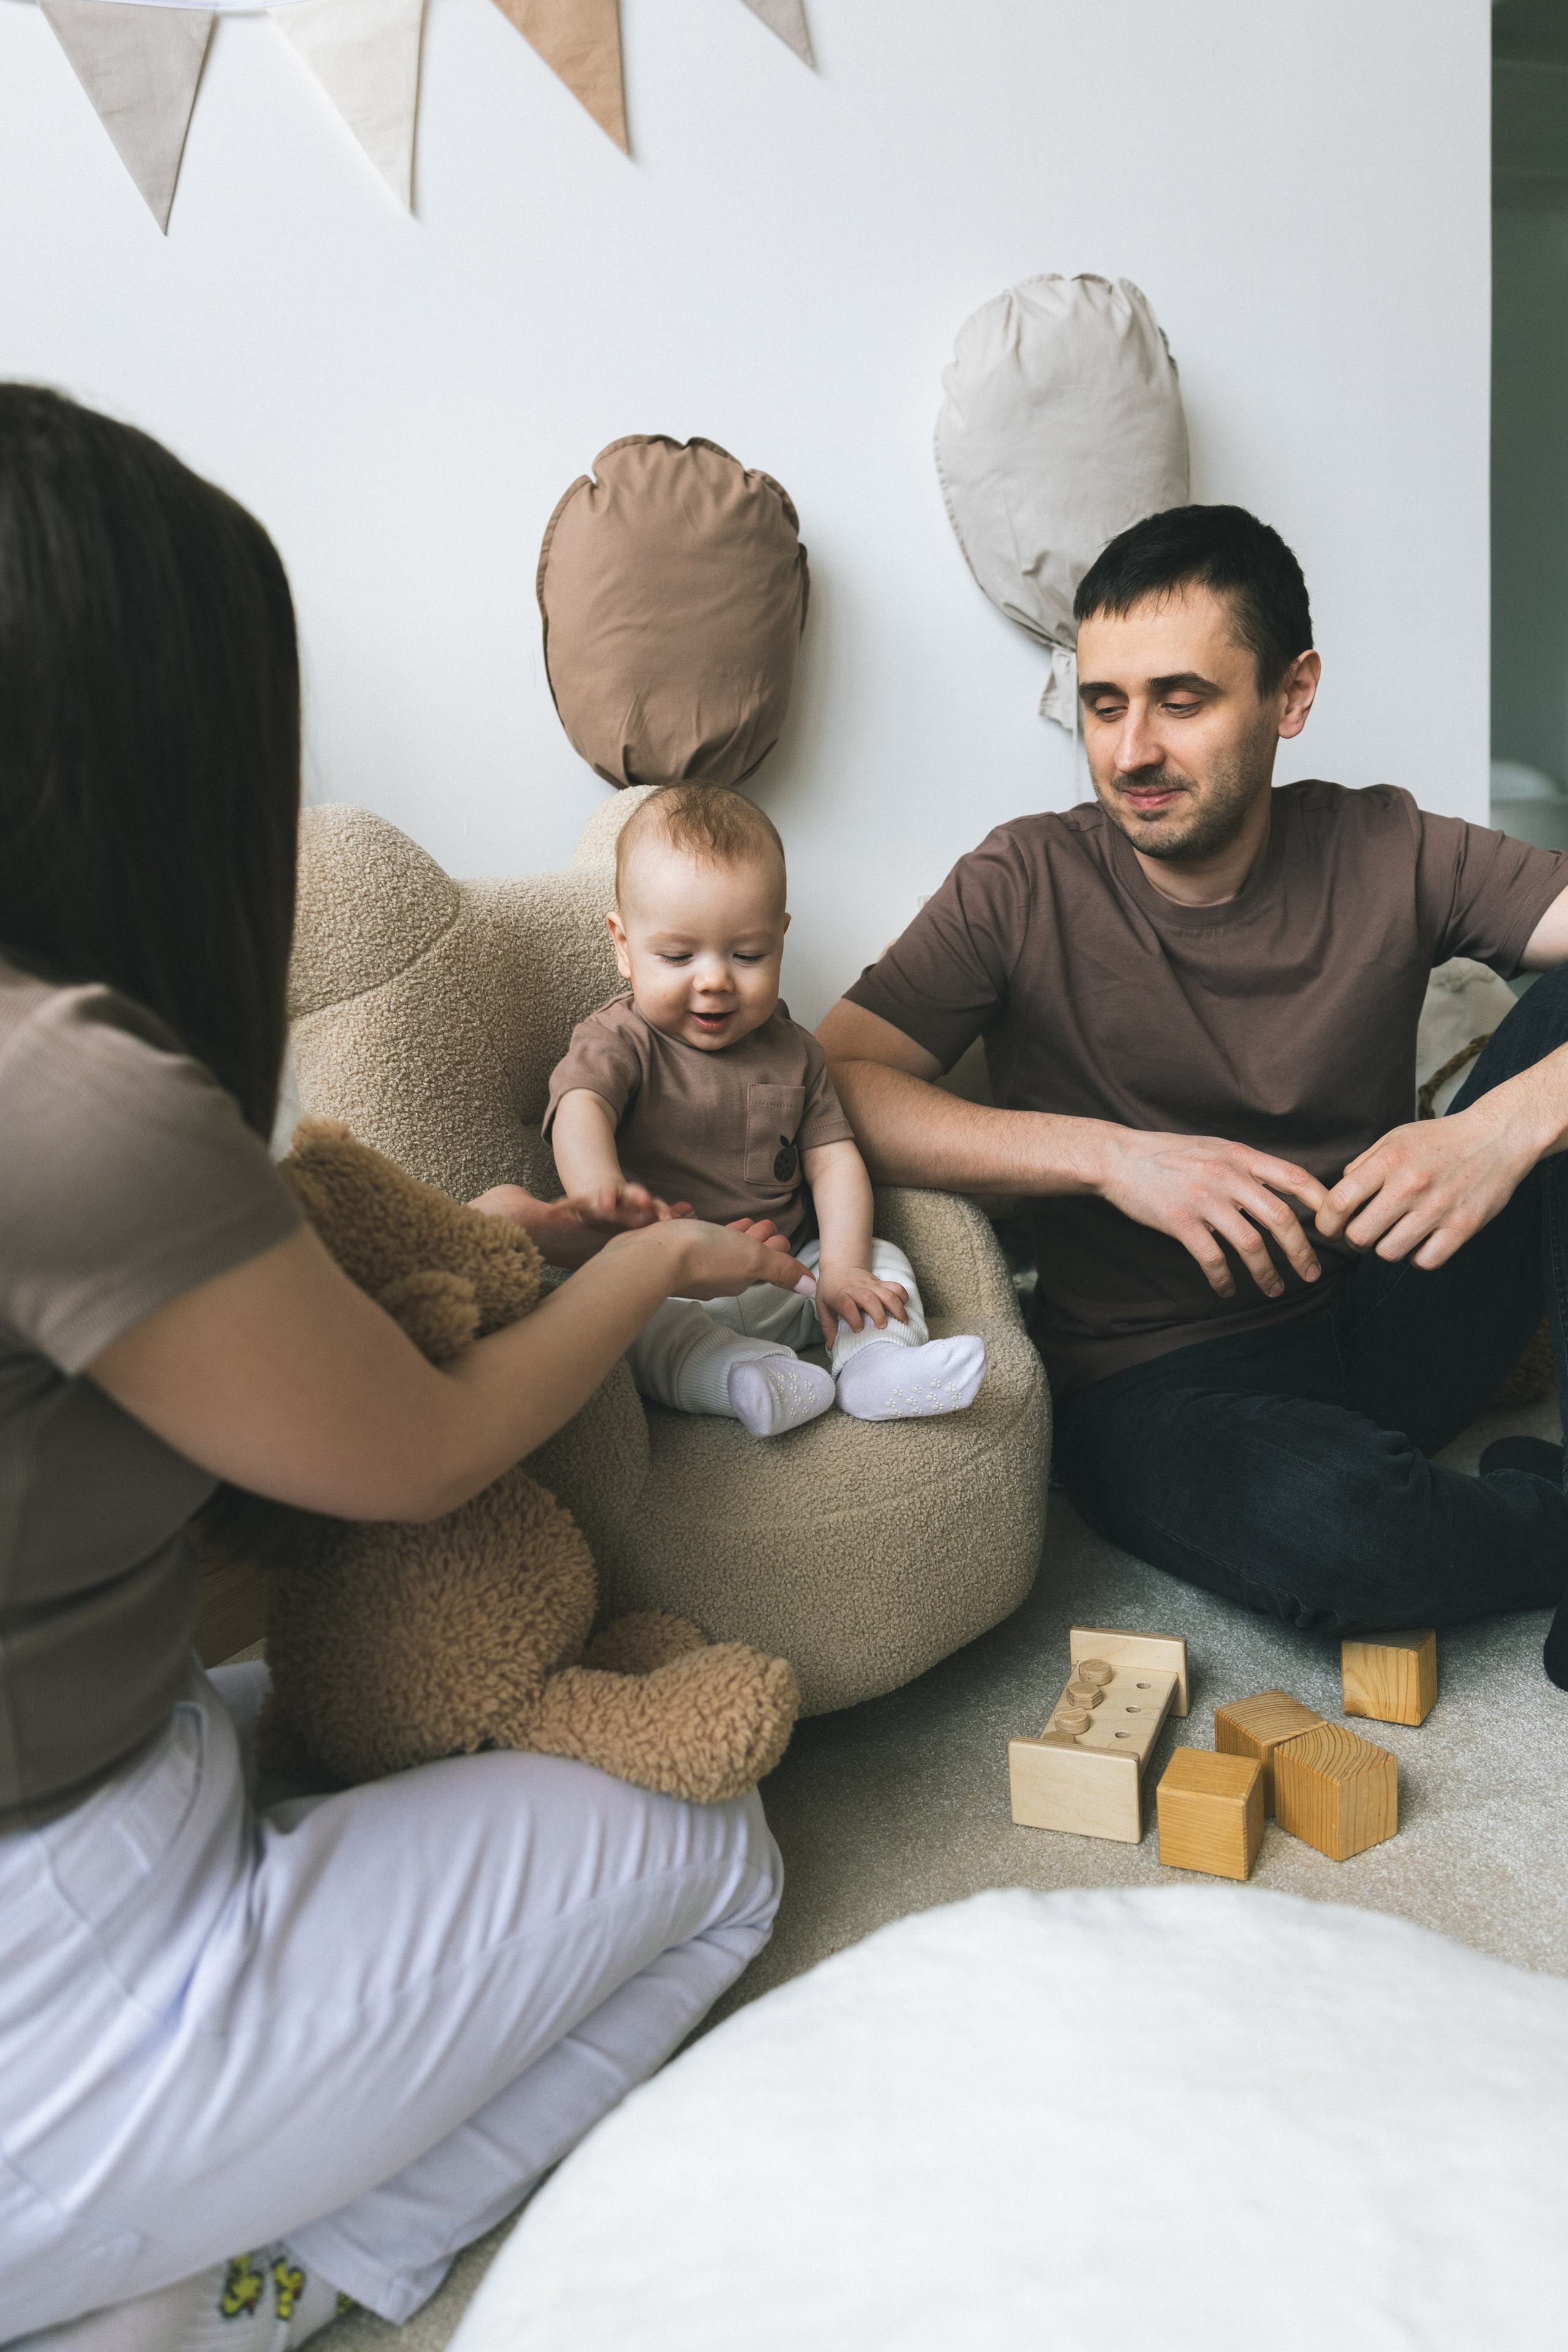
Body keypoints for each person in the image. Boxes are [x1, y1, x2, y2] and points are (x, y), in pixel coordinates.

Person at [0, 387, 811, 2346]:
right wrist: (652, 1269)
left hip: (123, 1796)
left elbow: (265, 1316)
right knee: (719, 1847)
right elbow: (426, 1453)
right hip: (63, 1964)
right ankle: (257, 2280)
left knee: (366, 1698)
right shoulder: (66, 1089)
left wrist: (473, 1239)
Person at [816, 503, 1568, 1682]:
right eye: (1105, 705)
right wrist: (1113, 1157)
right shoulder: (1023, 879)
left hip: (1383, 1301)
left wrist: (1504, 1124)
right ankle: (1529, 1524)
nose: (1130, 752)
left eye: (1182, 699)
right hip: (1159, 1383)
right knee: (1345, 1533)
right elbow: (834, 1086)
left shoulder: (1391, 846)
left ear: (1291, 693)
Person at [544, 782, 987, 1437]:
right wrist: (599, 1193)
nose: (715, 979)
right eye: (677, 955)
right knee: (622, 1317)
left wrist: (842, 1268)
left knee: (882, 1259)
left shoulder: (796, 1054)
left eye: (747, 955)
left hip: (787, 1274)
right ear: (622, 945)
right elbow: (581, 1106)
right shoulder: (621, 1040)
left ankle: (876, 1366)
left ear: (779, 938)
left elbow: (834, 1163)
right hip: (670, 1280)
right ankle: (743, 1379)